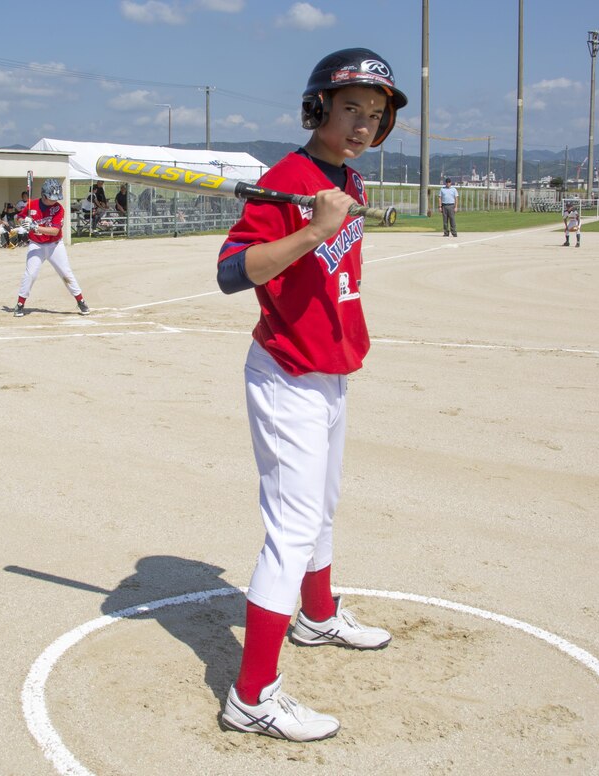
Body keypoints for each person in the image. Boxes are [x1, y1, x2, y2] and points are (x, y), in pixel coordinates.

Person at [214, 48, 407, 742]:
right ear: (319, 107)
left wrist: (331, 218)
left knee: (322, 508)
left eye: (375, 115)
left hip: (330, 369)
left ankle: (317, 617)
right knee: (291, 529)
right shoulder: (287, 182)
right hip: (287, 373)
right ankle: (252, 695)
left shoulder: (342, 177)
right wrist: (317, 228)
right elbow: (232, 272)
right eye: (351, 108)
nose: (362, 124)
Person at [12, 179, 90, 317]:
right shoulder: (32, 205)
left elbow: (54, 231)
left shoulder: (58, 209)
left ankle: (81, 300)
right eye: (51, 198)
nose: (54, 201)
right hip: (36, 244)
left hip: (55, 245)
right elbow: (17, 217)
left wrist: (35, 227)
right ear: (44, 195)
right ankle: (20, 304)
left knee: (65, 273)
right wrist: (23, 222)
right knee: (31, 274)